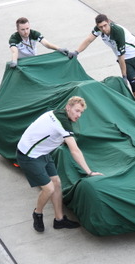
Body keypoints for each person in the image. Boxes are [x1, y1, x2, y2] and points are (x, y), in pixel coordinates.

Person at [16, 96, 103, 232]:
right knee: (49, 188)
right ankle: (37, 213)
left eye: (81, 112)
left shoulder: (59, 114)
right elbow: (75, 151)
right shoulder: (62, 122)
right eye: (77, 111)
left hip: (42, 152)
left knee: (56, 183)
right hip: (29, 156)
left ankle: (59, 220)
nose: (79, 115)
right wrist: (89, 172)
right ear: (68, 107)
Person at [68, 14, 135, 109]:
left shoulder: (117, 32)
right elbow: (88, 40)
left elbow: (121, 56)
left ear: (108, 22)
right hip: (125, 60)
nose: (103, 29)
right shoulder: (98, 29)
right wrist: (76, 52)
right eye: (100, 27)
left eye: (105, 25)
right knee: (133, 83)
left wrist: (124, 76)